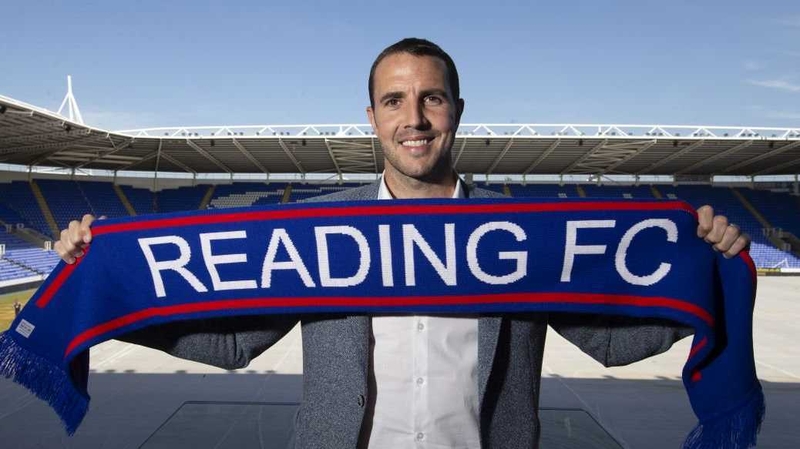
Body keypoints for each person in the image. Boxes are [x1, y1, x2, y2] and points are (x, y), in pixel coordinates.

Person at [55, 38, 750, 449]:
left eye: (432, 98)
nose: (413, 119)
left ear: (457, 111)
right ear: (371, 117)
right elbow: (234, 344)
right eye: (394, 100)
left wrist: (710, 273)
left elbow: (610, 340)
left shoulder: (523, 234)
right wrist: (108, 284)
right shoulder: (318, 232)